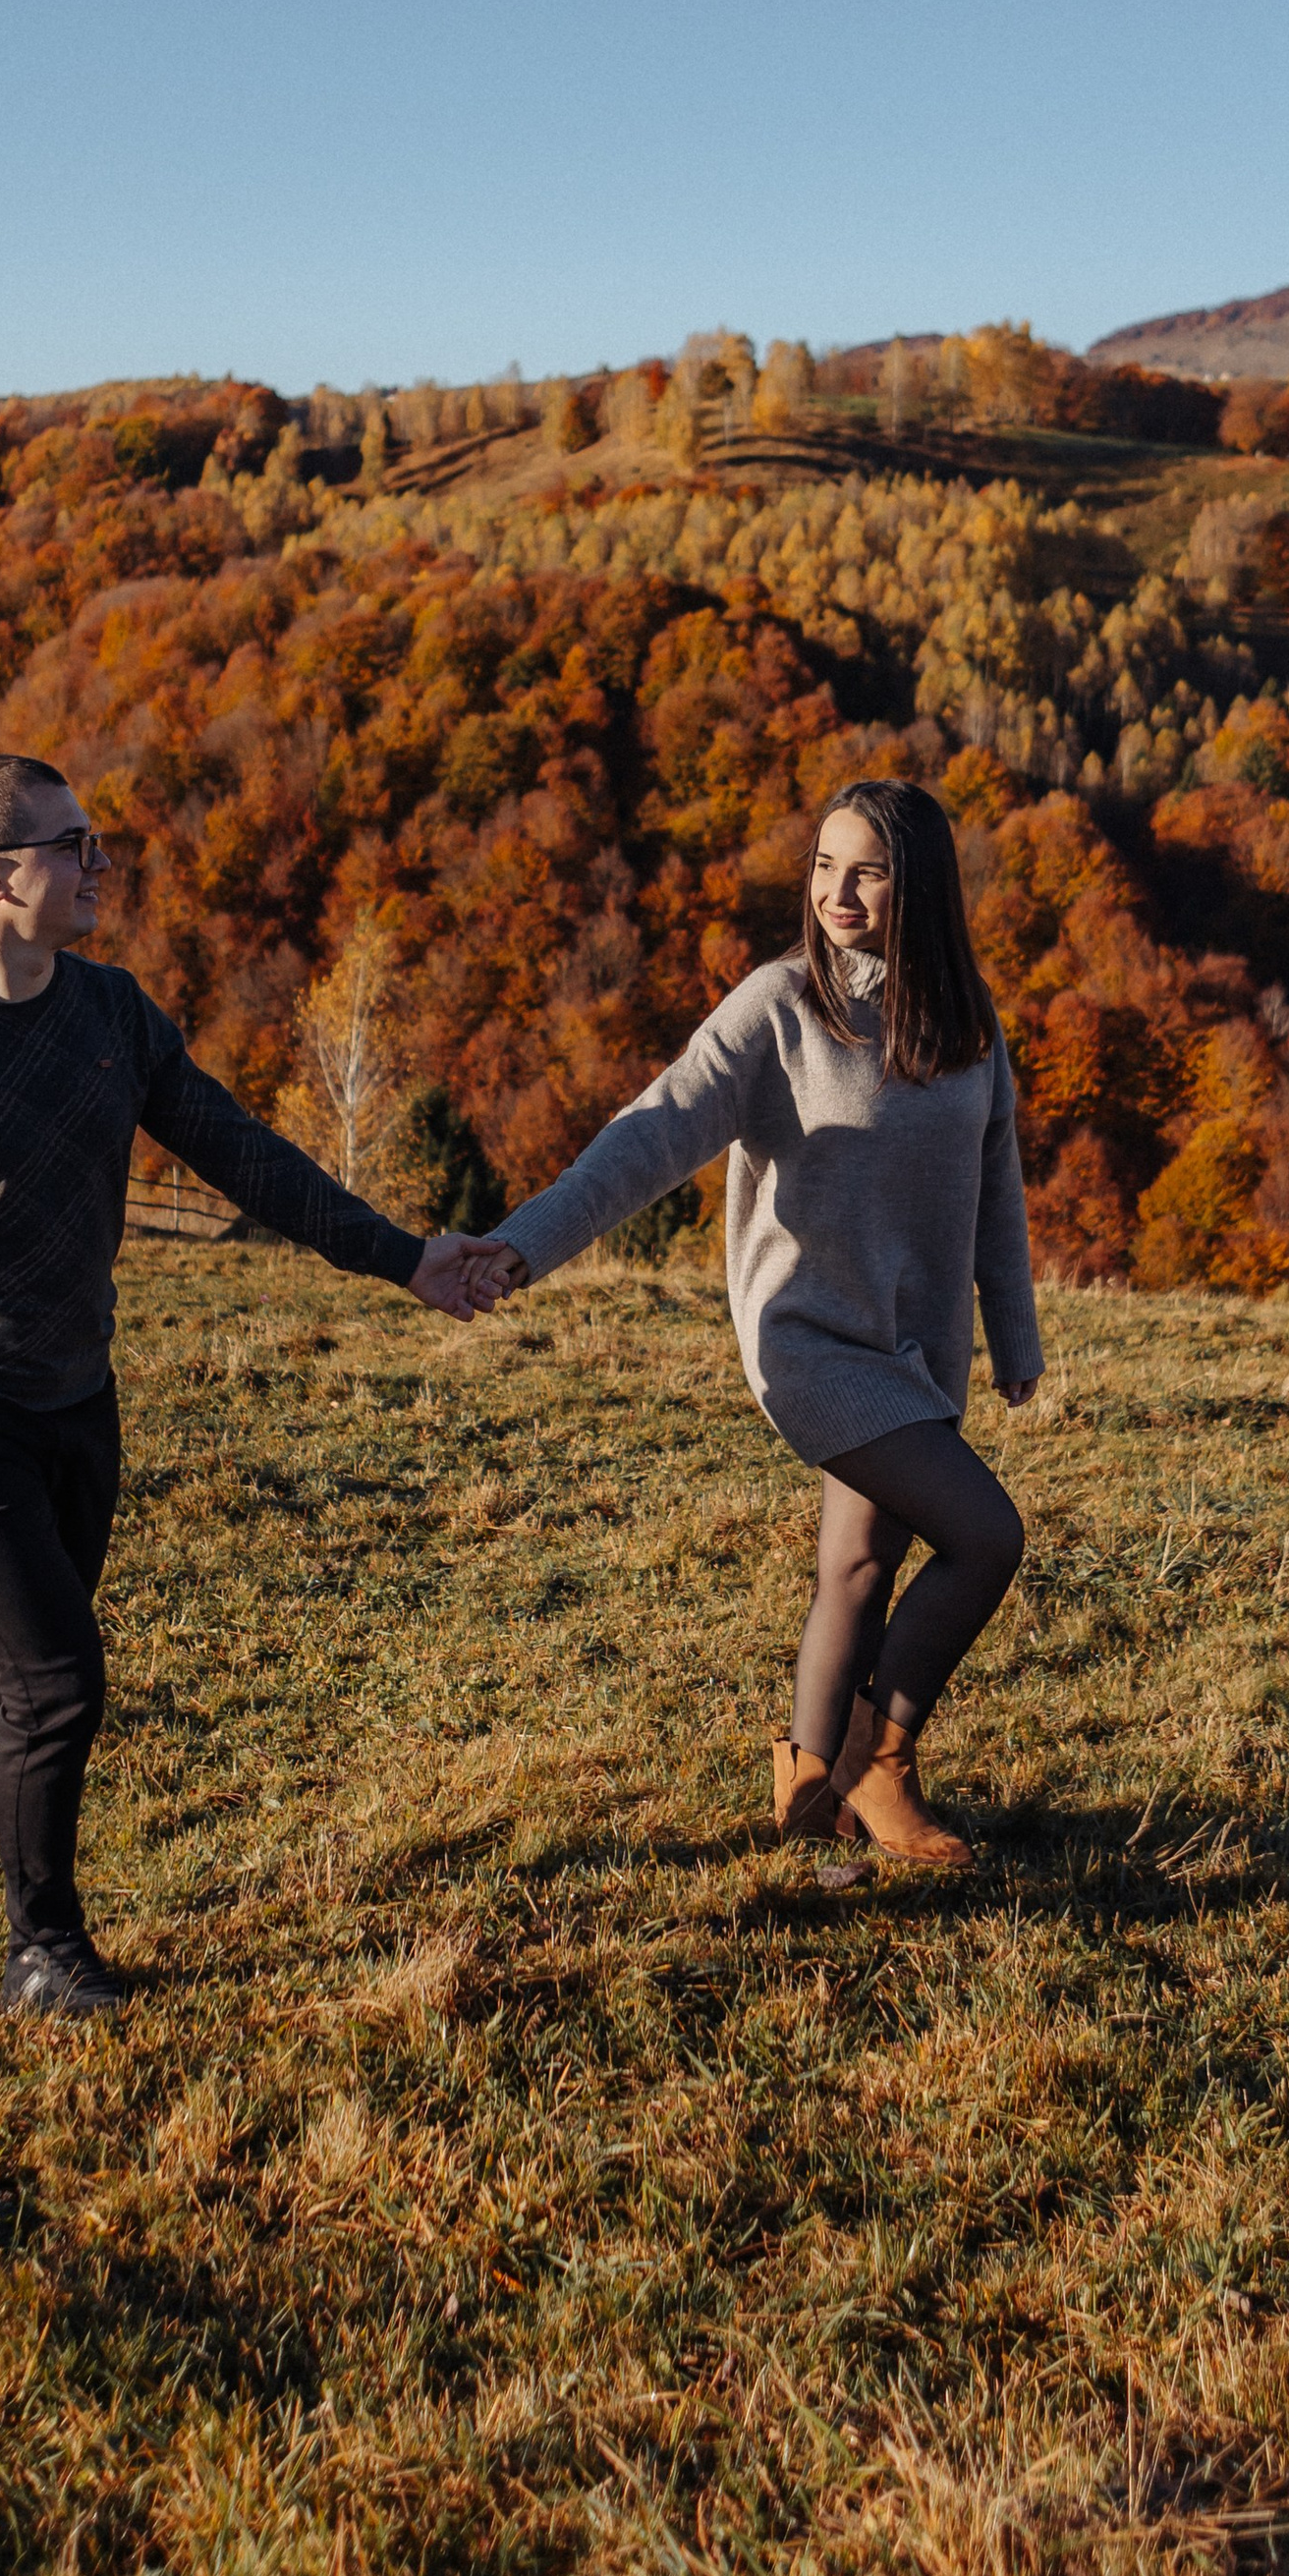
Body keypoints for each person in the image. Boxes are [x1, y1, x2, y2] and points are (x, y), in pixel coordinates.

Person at [0, 750, 496, 2018]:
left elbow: (243, 1155)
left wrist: (404, 1262)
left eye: (95, 841)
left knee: (22, 1653)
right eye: (74, 846)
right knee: (59, 1675)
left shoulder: (111, 1012)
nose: (100, 864)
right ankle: (43, 1950)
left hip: (76, 1390)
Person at [466, 778, 1040, 1871]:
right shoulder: (778, 1007)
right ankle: (881, 1764)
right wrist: (523, 1243)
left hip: (917, 1346)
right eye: (823, 866)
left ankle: (803, 1800)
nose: (838, 891)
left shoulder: (964, 1019)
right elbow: (652, 1134)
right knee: (984, 1536)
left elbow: (993, 1188)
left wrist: (1013, 1342)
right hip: (811, 1338)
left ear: (917, 882)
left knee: (859, 1567)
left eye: (866, 869)